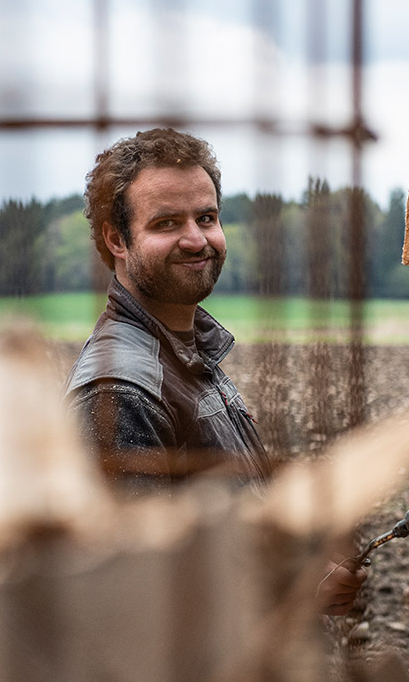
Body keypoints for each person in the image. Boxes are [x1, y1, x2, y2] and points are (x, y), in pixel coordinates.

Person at [66, 127, 363, 614]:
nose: (196, 239)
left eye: (207, 217)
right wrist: (292, 587)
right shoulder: (120, 391)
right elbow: (130, 600)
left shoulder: (186, 354)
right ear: (116, 239)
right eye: (166, 223)